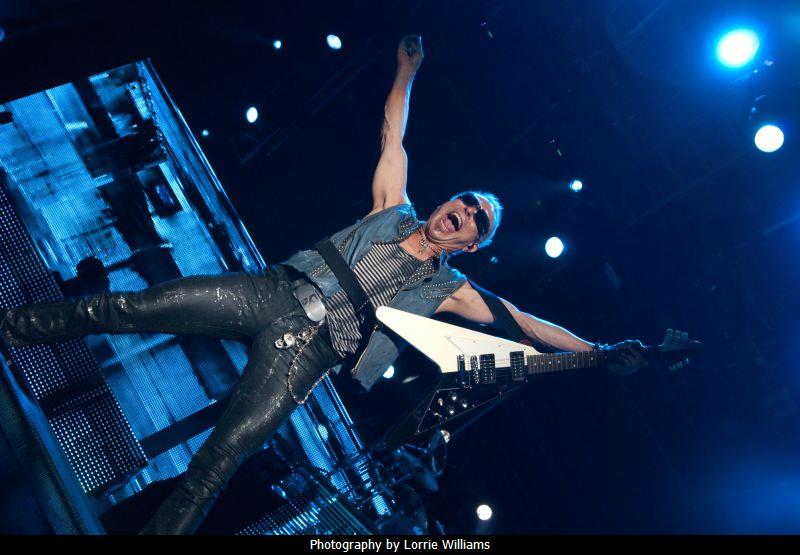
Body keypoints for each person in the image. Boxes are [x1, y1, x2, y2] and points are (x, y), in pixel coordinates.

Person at [0, 36, 646, 534]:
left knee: (216, 465)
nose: (467, 211)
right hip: (272, 293)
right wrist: (406, 71)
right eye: (467, 201)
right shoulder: (392, 206)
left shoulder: (450, 289)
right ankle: (11, 328)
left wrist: (598, 351)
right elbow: (394, 129)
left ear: (472, 243)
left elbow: (525, 322)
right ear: (448, 201)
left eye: (478, 220)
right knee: (131, 306)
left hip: (305, 358)